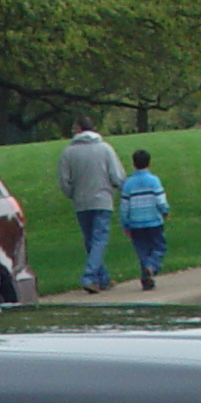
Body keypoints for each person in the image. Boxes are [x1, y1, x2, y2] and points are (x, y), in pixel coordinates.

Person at [55, 120, 126, 293]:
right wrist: (119, 188)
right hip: (102, 199)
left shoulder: (68, 152)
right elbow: (116, 175)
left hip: (81, 201)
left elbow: (64, 181)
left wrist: (72, 194)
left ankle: (102, 278)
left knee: (90, 240)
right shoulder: (105, 149)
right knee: (99, 239)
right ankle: (89, 276)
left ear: (79, 129)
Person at [120, 149, 170, 292]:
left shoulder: (128, 184)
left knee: (142, 251)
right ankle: (152, 267)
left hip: (135, 222)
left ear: (133, 164)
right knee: (159, 246)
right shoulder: (154, 181)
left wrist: (125, 223)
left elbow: (124, 206)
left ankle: (146, 279)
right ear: (149, 163)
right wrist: (165, 211)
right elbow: (160, 200)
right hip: (153, 220)